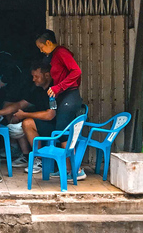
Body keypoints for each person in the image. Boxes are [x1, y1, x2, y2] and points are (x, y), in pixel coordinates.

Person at [34, 29, 85, 181]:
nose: (41, 50)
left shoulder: (61, 52)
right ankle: (67, 169)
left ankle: (77, 170)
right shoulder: (54, 55)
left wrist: (59, 87)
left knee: (63, 134)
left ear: (48, 43)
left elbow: (76, 71)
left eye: (41, 47)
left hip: (71, 96)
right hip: (64, 96)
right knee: (61, 132)